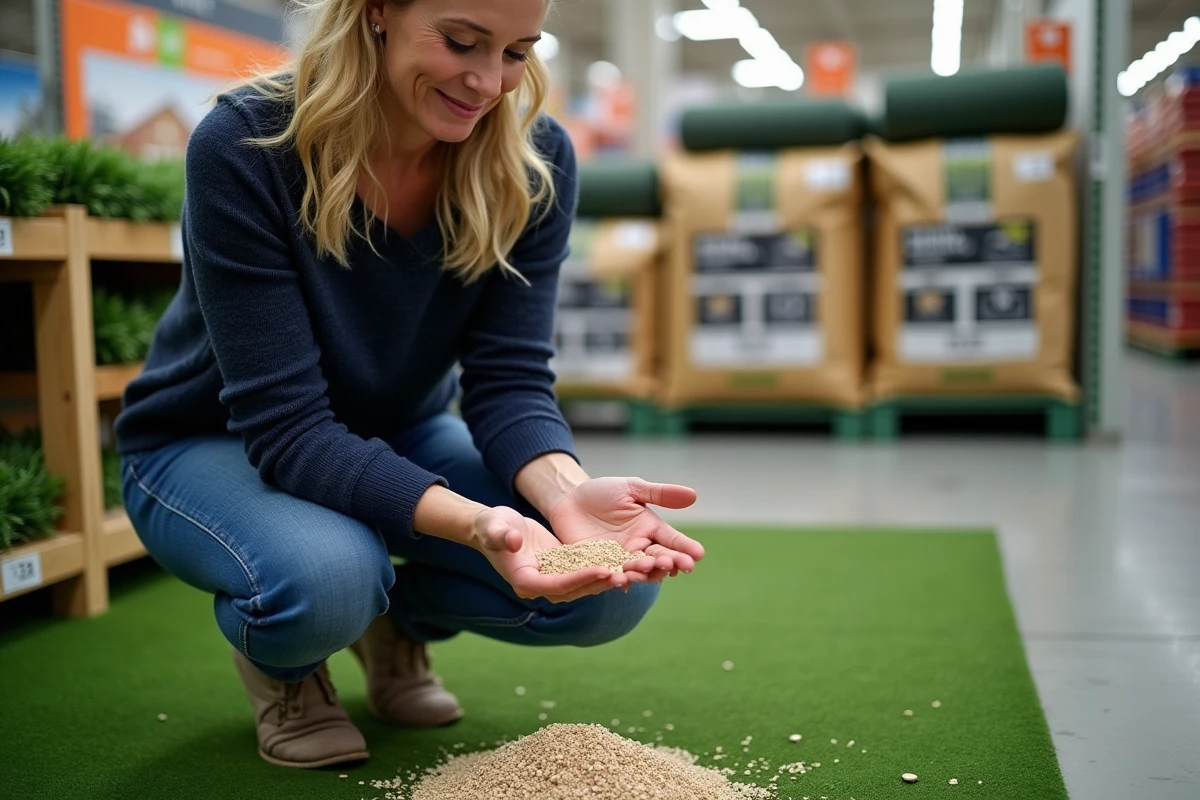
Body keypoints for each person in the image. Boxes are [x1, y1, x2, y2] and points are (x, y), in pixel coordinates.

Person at [114, 0, 704, 771]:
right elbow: (289, 429)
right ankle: (288, 664)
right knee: (330, 576)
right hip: (214, 441)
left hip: (401, 429)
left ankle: (393, 625)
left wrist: (563, 495)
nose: (489, 81)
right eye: (462, 42)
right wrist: (477, 526)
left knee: (610, 581)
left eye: (519, 52)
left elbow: (509, 379)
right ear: (379, 12)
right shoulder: (246, 143)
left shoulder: (538, 157)